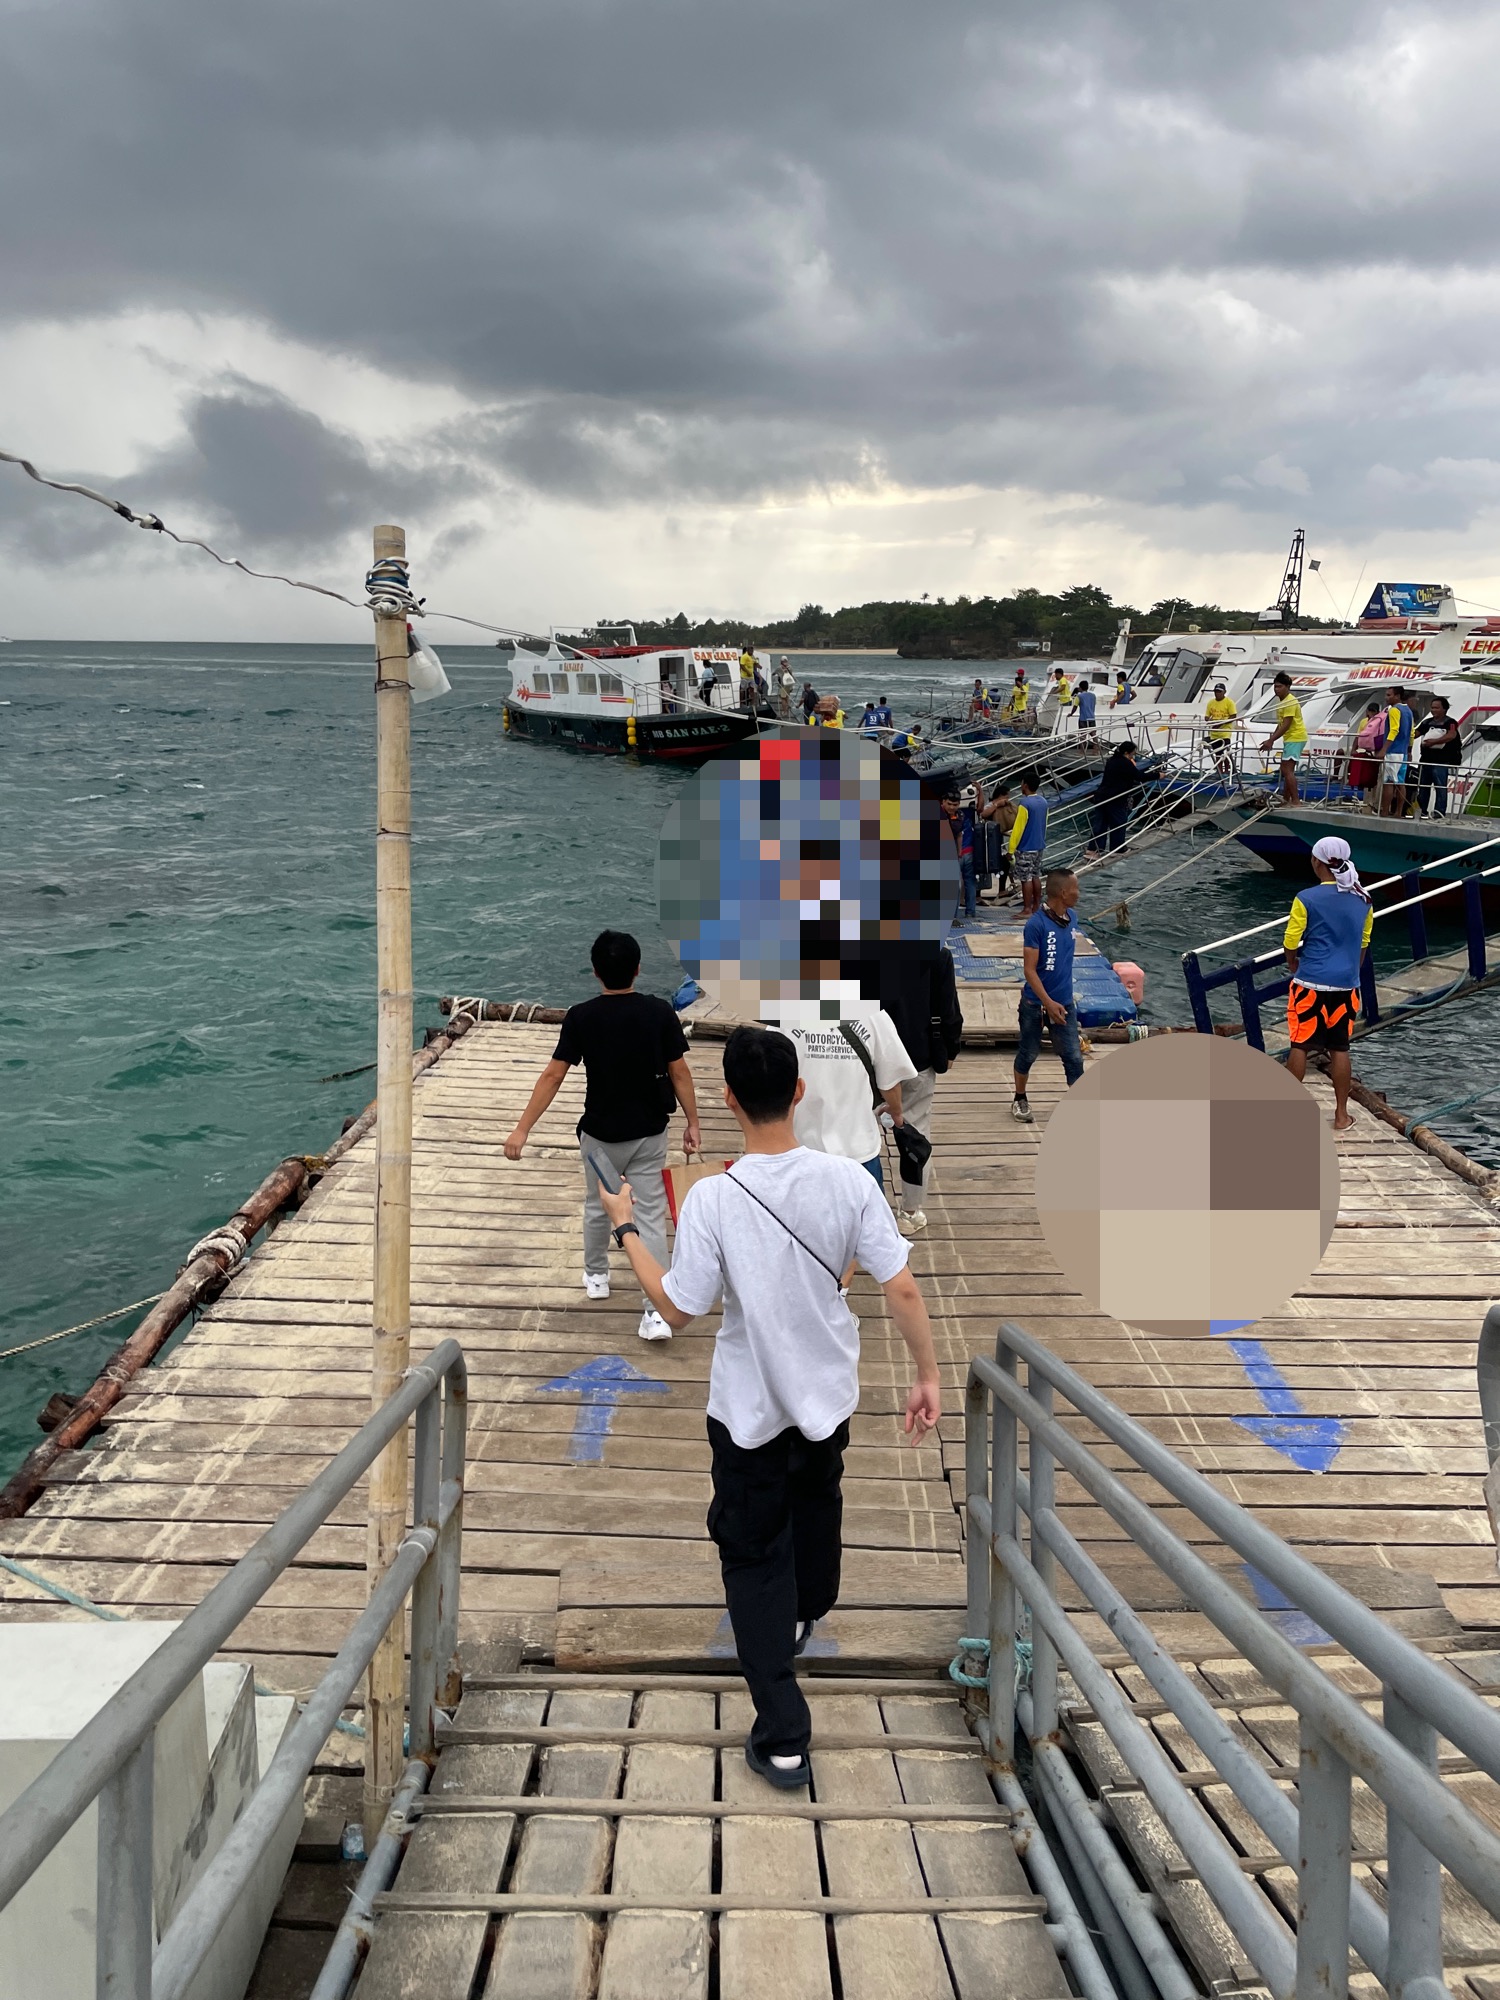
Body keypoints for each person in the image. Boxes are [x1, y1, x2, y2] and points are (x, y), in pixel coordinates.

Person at [595, 1025, 941, 1787]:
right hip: (827, 1399)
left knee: (751, 1555)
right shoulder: (850, 1182)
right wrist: (927, 1374)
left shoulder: (714, 1197)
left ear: (728, 1100)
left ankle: (784, 1735)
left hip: (748, 1412)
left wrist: (626, 1227)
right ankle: (806, 1608)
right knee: (816, 1505)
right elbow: (902, 1288)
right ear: (799, 1092)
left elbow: (677, 1308)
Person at [504, 930, 701, 1341]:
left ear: (595, 972)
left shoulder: (581, 1017)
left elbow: (553, 1075)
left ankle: (597, 1275)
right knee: (649, 1215)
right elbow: (680, 1072)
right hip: (649, 1132)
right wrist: (693, 1122)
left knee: (597, 1205)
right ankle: (656, 1312)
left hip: (600, 1136)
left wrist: (522, 1129)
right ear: (638, 969)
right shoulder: (659, 1013)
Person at [1283, 837, 1373, 1131]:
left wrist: (1293, 963)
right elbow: (1363, 942)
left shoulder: (1306, 898)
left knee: (1300, 1045)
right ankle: (1341, 1115)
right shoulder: (1363, 899)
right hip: (1346, 985)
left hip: (1310, 982)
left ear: (1316, 862)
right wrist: (1351, 972)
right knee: (1339, 1047)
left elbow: (1291, 940)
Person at [776, 1007, 915, 1193]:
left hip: (801, 1148)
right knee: (866, 1210)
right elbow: (890, 1083)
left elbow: (772, 1078)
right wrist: (896, 1111)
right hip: (858, 1150)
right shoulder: (873, 1015)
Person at [874, 946, 963, 1233]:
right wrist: (951, 1047)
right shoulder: (938, 954)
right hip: (918, 1056)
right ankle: (910, 1212)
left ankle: (862, 1211)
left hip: (870, 1058)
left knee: (860, 1131)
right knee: (917, 1134)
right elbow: (948, 1008)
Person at [1012, 868, 1085, 1122]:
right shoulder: (1036, 925)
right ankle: (1020, 1098)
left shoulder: (1072, 918)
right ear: (1063, 892)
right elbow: (1029, 970)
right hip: (1035, 1004)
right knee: (1028, 1053)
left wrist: (1058, 1002)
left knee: (1073, 1057)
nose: (1079, 893)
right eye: (1075, 888)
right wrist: (1047, 1003)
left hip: (1064, 1003)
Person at [1085, 741, 1141, 856]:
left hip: (1101, 796)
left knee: (1100, 824)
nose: (1133, 756)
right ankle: (1117, 848)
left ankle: (1093, 849)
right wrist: (1157, 775)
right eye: (1132, 754)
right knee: (1119, 822)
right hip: (1115, 798)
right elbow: (1139, 776)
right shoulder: (1125, 763)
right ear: (1127, 753)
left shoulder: (1112, 760)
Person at [1261, 670, 1308, 804]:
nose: (1277, 689)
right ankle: (1286, 798)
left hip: (1295, 737)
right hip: (1290, 738)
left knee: (1288, 770)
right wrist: (1271, 739)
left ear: (1287, 687)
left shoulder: (1290, 702)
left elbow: (1286, 724)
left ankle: (1296, 801)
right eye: (1275, 686)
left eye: (1280, 686)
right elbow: (1281, 724)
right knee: (1285, 769)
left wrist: (1271, 740)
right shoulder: (1281, 702)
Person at [1008, 771, 1049, 915]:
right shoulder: (1043, 802)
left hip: (1026, 847)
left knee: (1025, 878)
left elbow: (1018, 829)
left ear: (1025, 785)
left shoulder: (1024, 804)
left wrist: (1011, 849)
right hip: (1039, 845)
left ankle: (1026, 909)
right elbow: (1045, 824)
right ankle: (1036, 905)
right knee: (1035, 875)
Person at [1415, 695, 1461, 817]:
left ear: (1444, 709)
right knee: (1423, 787)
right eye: (1432, 707)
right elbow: (1415, 733)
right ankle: (1421, 810)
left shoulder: (1450, 722)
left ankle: (1439, 812)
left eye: (1436, 708)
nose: (1433, 710)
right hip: (1426, 760)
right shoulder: (1426, 722)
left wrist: (1434, 742)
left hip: (1441, 760)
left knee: (1440, 787)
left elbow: (1451, 735)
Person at [942, 786, 978, 921]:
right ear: (943, 802)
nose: (952, 807)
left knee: (957, 885)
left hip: (956, 855)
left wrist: (959, 853)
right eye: (949, 804)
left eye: (955, 805)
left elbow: (959, 835)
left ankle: (954, 916)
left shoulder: (960, 816)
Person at [1380, 687, 1416, 817]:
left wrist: (1384, 749)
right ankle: (1398, 812)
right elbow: (1412, 732)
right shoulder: (1408, 710)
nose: (1386, 697)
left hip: (1393, 751)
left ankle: (1385, 811)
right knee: (1401, 783)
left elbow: (1394, 730)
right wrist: (1409, 750)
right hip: (1403, 752)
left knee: (1388, 782)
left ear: (1397, 696)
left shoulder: (1394, 710)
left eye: (1389, 695)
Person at [979, 780, 1016, 899]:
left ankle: (1002, 890)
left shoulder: (1004, 808)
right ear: (1000, 796)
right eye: (1006, 796)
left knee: (1005, 864)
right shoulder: (991, 805)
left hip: (998, 841)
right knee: (982, 867)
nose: (1007, 799)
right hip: (986, 843)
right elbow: (983, 814)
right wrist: (996, 805)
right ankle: (977, 893)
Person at [1348, 701, 1386, 807]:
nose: (1371, 714)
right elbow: (1358, 736)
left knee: (1377, 777)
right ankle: (1366, 801)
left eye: (1373, 712)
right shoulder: (1364, 722)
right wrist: (1354, 749)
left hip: (1375, 751)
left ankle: (1375, 803)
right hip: (1364, 750)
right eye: (1370, 711)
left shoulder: (1381, 722)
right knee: (1366, 775)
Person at [1204, 681, 1238, 775]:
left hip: (1225, 732)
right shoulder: (1211, 702)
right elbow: (1206, 716)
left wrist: (1220, 724)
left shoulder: (1229, 702)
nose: (1217, 693)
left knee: (1226, 752)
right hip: (1214, 733)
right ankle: (1219, 771)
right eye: (1216, 691)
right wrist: (1210, 720)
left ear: (1224, 692)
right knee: (1217, 753)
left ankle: (1227, 770)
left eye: (1219, 691)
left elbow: (1233, 716)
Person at [1075, 677, 1098, 743]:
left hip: (1083, 718)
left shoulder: (1079, 696)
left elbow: (1075, 706)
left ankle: (1082, 749)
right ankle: (1096, 747)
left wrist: (1071, 714)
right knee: (1093, 734)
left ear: (1080, 687)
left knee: (1083, 735)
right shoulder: (1093, 696)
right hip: (1091, 717)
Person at [739, 645, 758, 711]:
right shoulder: (744, 656)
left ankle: (753, 703)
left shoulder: (752, 656)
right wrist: (747, 671)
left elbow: (755, 663)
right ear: (747, 650)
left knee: (752, 688)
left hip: (751, 676)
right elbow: (742, 665)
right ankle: (741, 703)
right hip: (744, 676)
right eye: (750, 650)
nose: (752, 652)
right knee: (743, 689)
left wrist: (757, 665)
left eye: (752, 650)